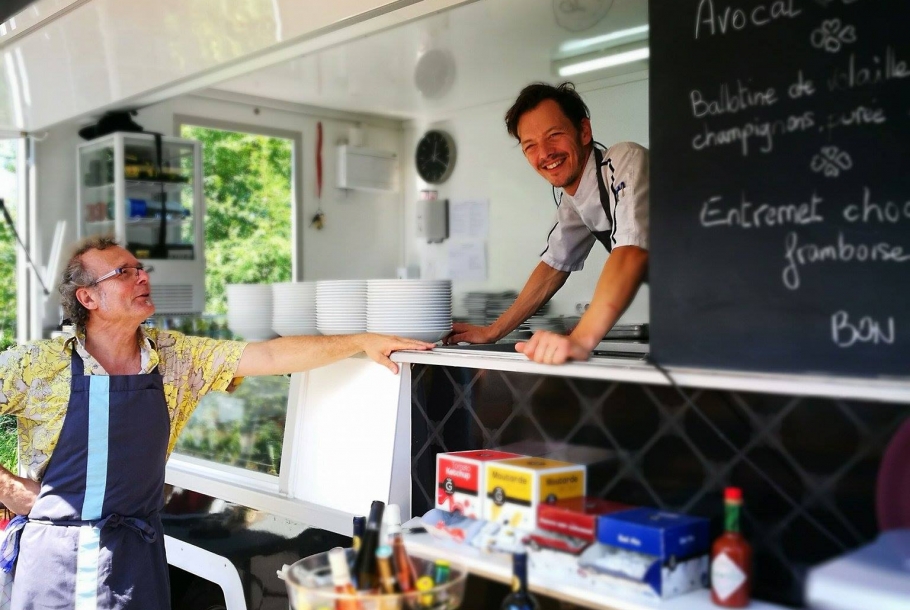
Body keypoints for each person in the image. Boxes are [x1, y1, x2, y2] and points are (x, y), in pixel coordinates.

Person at [0, 236, 432, 610]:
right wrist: (10, 489)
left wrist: (361, 340)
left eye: (140, 268)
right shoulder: (37, 366)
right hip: (55, 559)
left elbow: (271, 356)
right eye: (123, 272)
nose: (142, 276)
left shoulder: (177, 357)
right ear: (88, 298)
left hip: (135, 559)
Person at [446, 82, 649, 364]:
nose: (545, 153)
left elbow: (630, 253)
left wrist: (580, 339)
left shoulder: (624, 159)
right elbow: (553, 267)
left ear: (584, 131)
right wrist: (492, 331)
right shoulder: (573, 202)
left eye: (554, 135)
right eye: (530, 146)